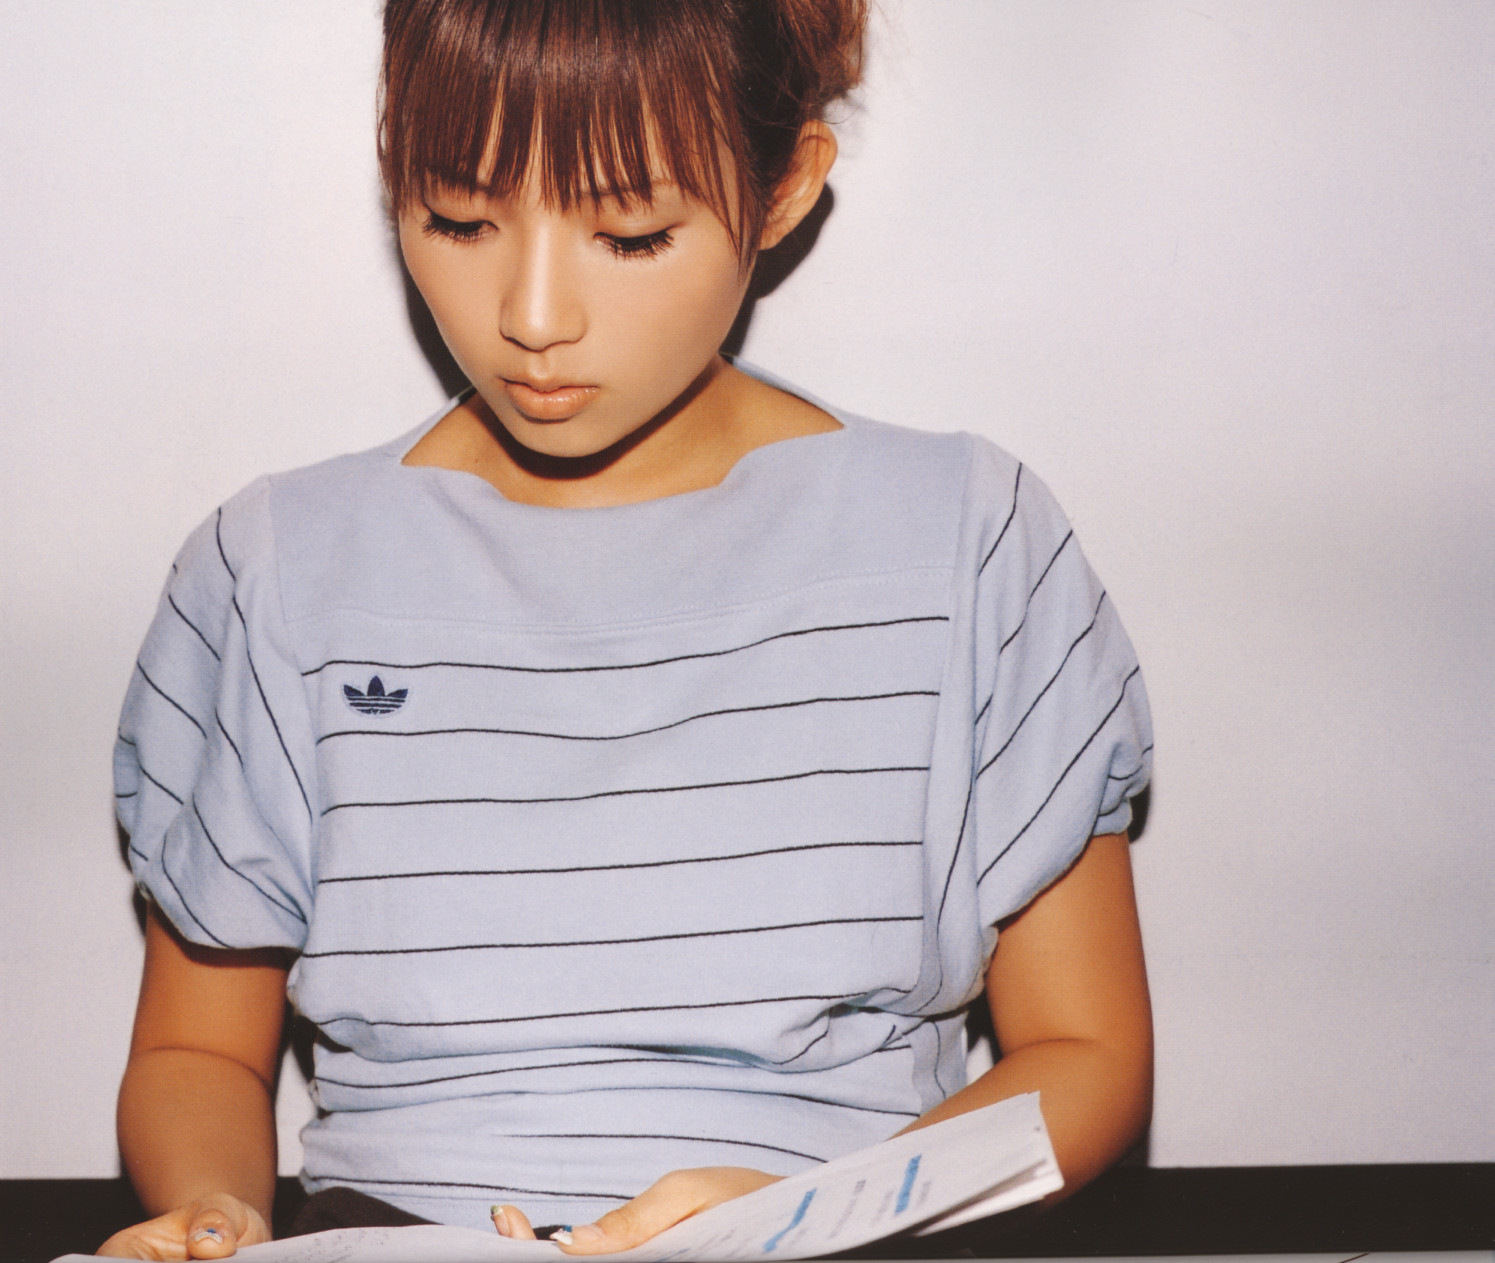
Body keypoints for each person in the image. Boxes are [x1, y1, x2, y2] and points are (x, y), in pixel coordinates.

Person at [97, 1, 1155, 1258]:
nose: (534, 315)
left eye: (632, 235)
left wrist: (812, 1218)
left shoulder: (966, 541)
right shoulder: (280, 567)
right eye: (459, 219)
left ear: (785, 187)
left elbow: (1085, 1049)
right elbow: (195, 1048)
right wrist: (213, 1215)